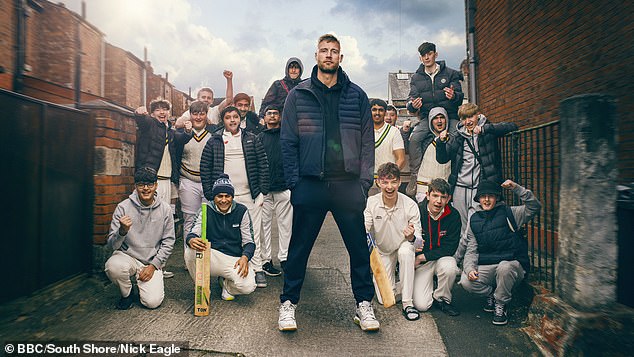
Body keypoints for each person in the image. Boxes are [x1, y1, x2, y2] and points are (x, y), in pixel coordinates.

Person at [278, 34, 379, 332]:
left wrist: (363, 184)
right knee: (299, 249)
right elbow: (288, 142)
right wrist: (295, 183)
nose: (329, 55)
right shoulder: (299, 95)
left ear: (341, 58)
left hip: (347, 184)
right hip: (311, 183)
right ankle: (288, 304)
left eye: (334, 51)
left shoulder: (357, 95)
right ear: (316, 55)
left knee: (359, 249)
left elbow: (366, 144)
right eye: (324, 51)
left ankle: (364, 305)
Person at [200, 106, 269, 288]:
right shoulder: (214, 140)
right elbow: (205, 168)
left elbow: (263, 165)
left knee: (253, 234)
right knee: (227, 234)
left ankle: (257, 268)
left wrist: (261, 192)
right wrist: (210, 193)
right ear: (223, 120)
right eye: (228, 117)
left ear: (240, 119)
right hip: (225, 198)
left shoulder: (251, 138)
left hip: (250, 195)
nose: (232, 120)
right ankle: (228, 269)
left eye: (235, 117)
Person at [460, 179, 541, 325]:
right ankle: (492, 294)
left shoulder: (510, 213)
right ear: (478, 199)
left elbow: (534, 206)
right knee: (465, 281)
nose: (486, 199)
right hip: (489, 266)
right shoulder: (474, 219)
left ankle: (500, 304)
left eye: (490, 196)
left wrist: (516, 188)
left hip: (512, 266)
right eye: (483, 196)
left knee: (505, 267)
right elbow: (471, 250)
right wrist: (469, 268)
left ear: (497, 197)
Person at [436, 103, 518, 235]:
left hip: (480, 189)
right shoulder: (457, 136)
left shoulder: (487, 130)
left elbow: (512, 127)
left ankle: (478, 254)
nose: (468, 122)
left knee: (479, 224)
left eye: (471, 117)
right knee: (462, 226)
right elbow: (442, 159)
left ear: (477, 115)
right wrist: (440, 142)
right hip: (460, 188)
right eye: (464, 118)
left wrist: (485, 129)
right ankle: (462, 255)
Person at [104, 167, 175, 310]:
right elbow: (112, 245)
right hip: (127, 256)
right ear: (135, 186)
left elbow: (168, 242)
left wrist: (154, 265)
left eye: (150, 184)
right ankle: (127, 294)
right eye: (141, 184)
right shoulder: (123, 208)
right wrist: (122, 232)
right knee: (113, 267)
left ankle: (144, 284)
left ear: (156, 185)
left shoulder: (165, 209)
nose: (146, 188)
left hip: (150, 261)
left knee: (152, 302)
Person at [184, 174, 257, 301]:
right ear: (214, 197)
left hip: (234, 259)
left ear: (232, 197)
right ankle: (203, 289)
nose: (223, 200)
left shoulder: (242, 211)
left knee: (248, 287)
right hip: (212, 256)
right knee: (190, 252)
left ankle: (227, 285)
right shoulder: (205, 209)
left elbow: (249, 242)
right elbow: (193, 232)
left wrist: (245, 257)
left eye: (227, 196)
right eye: (219, 196)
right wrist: (191, 240)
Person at [363, 163, 422, 321]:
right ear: (378, 183)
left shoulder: (410, 205)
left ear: (399, 182)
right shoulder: (371, 202)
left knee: (406, 251)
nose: (389, 187)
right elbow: (364, 230)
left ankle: (408, 303)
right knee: (385, 300)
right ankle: (403, 283)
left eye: (393, 182)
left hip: (403, 246)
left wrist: (411, 238)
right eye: (385, 182)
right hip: (383, 250)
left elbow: (418, 243)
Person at [406, 42, 463, 186]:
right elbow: (410, 100)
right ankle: (415, 175)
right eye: (423, 55)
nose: (427, 57)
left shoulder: (450, 73)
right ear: (420, 58)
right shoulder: (416, 78)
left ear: (435, 55)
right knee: (414, 139)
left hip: (450, 116)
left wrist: (454, 96)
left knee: (457, 136)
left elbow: (460, 96)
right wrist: (412, 106)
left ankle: (455, 175)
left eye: (429, 54)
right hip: (427, 117)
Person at [413, 178, 461, 316]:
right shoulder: (417, 211)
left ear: (448, 199)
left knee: (450, 267)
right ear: (427, 195)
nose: (438, 201)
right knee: (421, 305)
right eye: (435, 196)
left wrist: (422, 256)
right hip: (423, 264)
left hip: (440, 258)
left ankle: (442, 299)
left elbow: (450, 248)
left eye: (443, 197)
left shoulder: (454, 215)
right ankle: (426, 287)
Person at [257, 105, 292, 276]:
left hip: (284, 187)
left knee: (286, 225)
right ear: (264, 118)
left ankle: (285, 258)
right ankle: (266, 260)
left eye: (275, 113)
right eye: (269, 114)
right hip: (264, 190)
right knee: (264, 226)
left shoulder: (287, 136)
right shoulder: (259, 138)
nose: (272, 116)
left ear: (280, 117)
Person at [173, 100, 214, 244]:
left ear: (206, 115)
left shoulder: (213, 133)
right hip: (188, 179)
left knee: (207, 219)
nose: (198, 117)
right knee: (189, 220)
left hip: (208, 182)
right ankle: (188, 258)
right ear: (189, 115)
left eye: (201, 114)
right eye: (195, 114)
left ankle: (204, 258)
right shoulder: (181, 133)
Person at [407, 107, 452, 203]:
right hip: (424, 188)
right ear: (431, 121)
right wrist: (405, 132)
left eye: (442, 117)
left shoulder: (453, 139)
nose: (439, 121)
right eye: (435, 118)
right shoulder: (424, 140)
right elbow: (407, 148)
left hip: (444, 189)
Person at [369, 99, 405, 196]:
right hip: (367, 181)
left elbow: (401, 159)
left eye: (380, 110)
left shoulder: (394, 132)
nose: (377, 113)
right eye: (374, 110)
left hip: (387, 184)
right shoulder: (363, 131)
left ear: (385, 112)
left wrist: (389, 177)